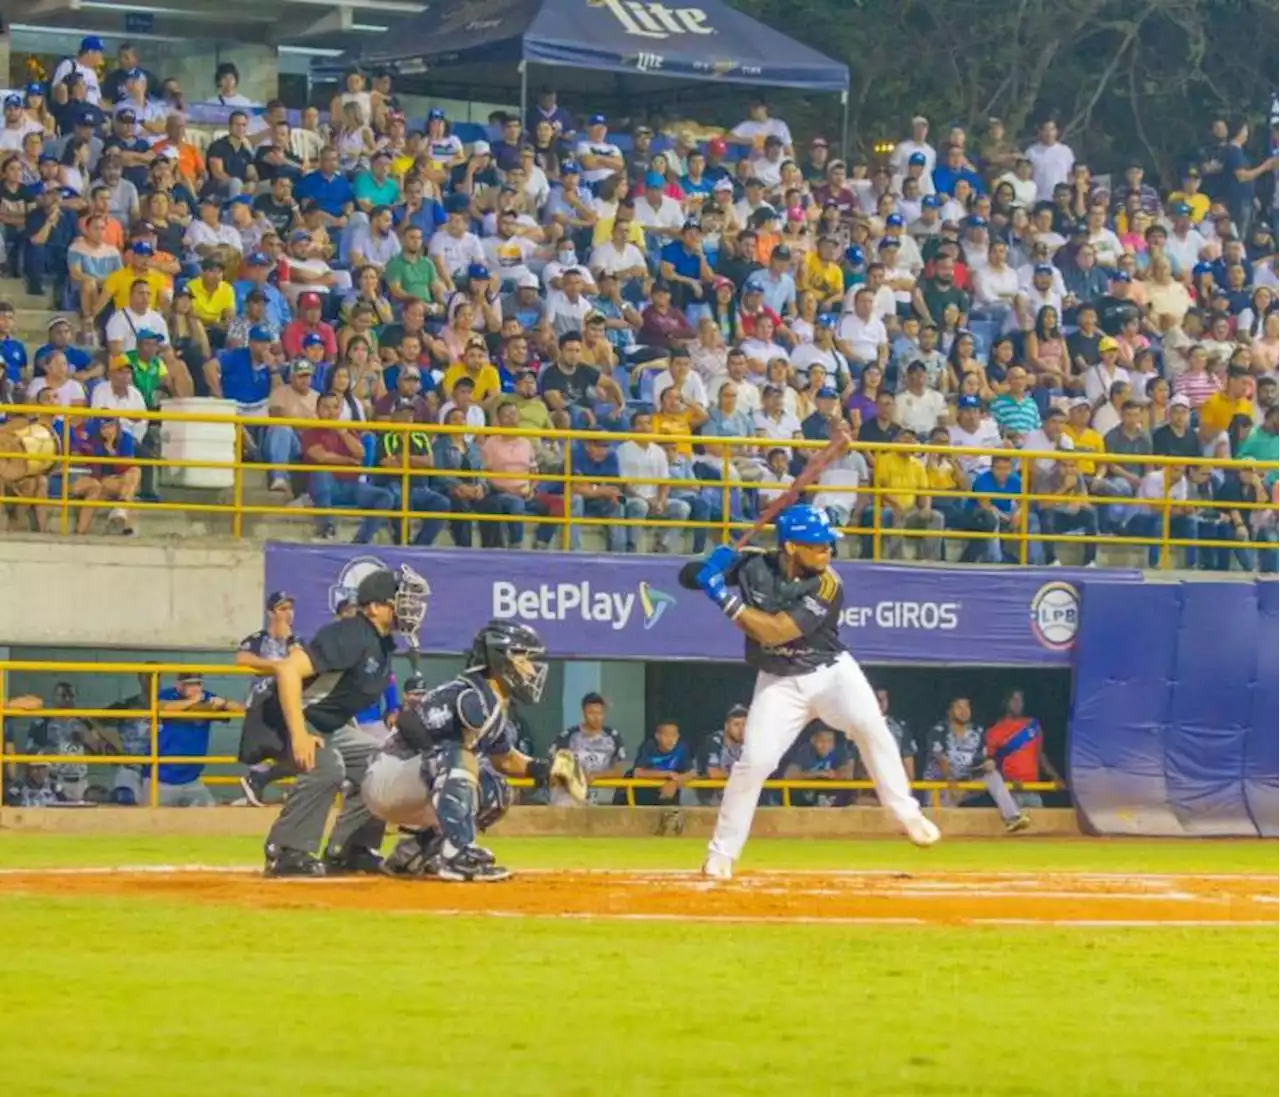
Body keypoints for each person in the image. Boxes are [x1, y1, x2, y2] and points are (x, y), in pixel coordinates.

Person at [696, 503, 940, 881]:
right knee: (755, 762)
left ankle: (905, 813)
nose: (828, 551)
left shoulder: (829, 583)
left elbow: (774, 631)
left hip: (831, 674)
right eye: (819, 544)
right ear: (791, 547)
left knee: (871, 726)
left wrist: (724, 598)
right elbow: (688, 578)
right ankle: (721, 854)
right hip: (778, 681)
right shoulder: (754, 565)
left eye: (828, 544)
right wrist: (711, 564)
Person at [236, 565, 428, 876]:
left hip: (324, 723)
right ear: (376, 607)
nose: (411, 609)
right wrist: (299, 735)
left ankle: (351, 848)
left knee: (380, 763)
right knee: (327, 766)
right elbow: (287, 671)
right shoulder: (350, 633)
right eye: (400, 601)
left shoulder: (380, 644)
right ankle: (287, 850)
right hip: (282, 716)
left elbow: (337, 695)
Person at [366, 620, 586, 881]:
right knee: (459, 756)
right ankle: (457, 854)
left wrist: (548, 768)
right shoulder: (466, 694)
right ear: (501, 659)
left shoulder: (492, 704)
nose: (530, 669)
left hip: (413, 784)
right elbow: (408, 720)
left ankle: (413, 853)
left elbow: (505, 761)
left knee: (497, 791)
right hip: (388, 775)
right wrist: (439, 755)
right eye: (524, 659)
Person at [235, 590, 303, 806]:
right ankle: (256, 782)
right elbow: (242, 658)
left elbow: (299, 662)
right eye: (282, 609)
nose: (288, 614)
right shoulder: (258, 639)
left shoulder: (296, 641)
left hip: (289, 705)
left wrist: (288, 639)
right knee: (261, 752)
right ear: (270, 613)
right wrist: (277, 666)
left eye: (290, 609)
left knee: (301, 757)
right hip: (263, 702)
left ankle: (259, 779)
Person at [923, 696, 1031, 832]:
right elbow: (941, 760)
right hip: (942, 786)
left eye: (967, 707)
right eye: (959, 707)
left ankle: (1012, 817)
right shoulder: (939, 730)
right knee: (941, 829)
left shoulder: (977, 731)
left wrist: (988, 763)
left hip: (966, 782)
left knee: (992, 775)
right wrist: (951, 782)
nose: (964, 711)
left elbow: (981, 759)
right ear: (950, 712)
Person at [152, 672, 243, 806]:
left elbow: (241, 709)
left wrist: (224, 702)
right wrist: (194, 702)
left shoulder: (206, 696)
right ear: (179, 685)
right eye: (190, 684)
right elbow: (161, 707)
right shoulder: (168, 694)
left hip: (192, 779)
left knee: (210, 817)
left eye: (198, 684)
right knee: (152, 821)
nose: (195, 688)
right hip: (160, 779)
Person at [985, 689, 1063, 810]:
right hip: (1009, 791)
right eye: (1014, 700)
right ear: (1005, 703)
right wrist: (1008, 780)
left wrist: (1054, 775)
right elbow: (991, 765)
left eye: (1020, 700)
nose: (1018, 704)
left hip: (1033, 789)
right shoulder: (994, 731)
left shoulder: (1032, 725)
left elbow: (1040, 755)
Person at [552, 692, 628, 806]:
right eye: (591, 713)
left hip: (603, 796)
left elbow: (619, 771)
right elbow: (556, 770)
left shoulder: (613, 737)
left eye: (600, 713)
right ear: (583, 713)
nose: (596, 717)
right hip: (571, 797)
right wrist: (578, 777)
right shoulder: (568, 736)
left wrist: (595, 776)